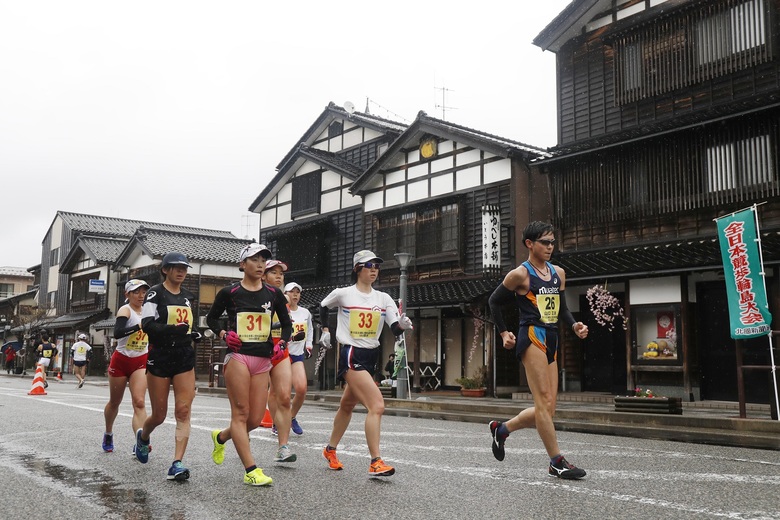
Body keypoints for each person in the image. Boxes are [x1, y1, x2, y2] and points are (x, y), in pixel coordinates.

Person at [487, 221, 589, 480]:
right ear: (529, 244)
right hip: (532, 335)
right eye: (545, 242)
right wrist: (503, 332)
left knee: (548, 408)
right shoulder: (520, 274)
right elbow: (494, 301)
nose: (550, 247)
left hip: (553, 336)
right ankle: (556, 461)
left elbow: (562, 308)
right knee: (543, 401)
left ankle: (502, 429)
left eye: (553, 242)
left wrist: (574, 324)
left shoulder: (559, 273)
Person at [319, 250, 413, 477]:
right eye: (368, 265)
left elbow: (393, 328)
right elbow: (323, 306)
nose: (374, 269)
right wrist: (325, 330)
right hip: (351, 353)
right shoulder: (343, 294)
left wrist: (402, 325)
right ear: (357, 269)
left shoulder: (383, 298)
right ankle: (375, 461)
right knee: (377, 405)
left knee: (347, 405)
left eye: (377, 266)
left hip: (371, 356)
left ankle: (330, 450)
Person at [207, 243, 292, 486]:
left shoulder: (274, 294)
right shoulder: (230, 292)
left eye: (263, 260)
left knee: (255, 419)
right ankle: (251, 470)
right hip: (239, 357)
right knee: (241, 413)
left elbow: (285, 324)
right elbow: (211, 318)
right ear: (242, 264)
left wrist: (283, 343)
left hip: (264, 359)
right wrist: (223, 334)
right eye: (254, 259)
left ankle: (221, 437)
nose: (260, 264)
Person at [135, 252, 201, 481]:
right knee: (159, 415)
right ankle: (143, 436)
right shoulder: (155, 293)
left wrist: (193, 333)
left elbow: (187, 324)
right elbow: (147, 325)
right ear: (165, 270)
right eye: (175, 268)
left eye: (184, 268)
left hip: (183, 356)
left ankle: (177, 463)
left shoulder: (187, 297)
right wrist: (174, 330)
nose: (181, 272)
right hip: (160, 356)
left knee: (183, 411)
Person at [102, 279, 150, 453]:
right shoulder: (126, 310)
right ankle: (108, 432)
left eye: (144, 292)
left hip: (140, 360)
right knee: (115, 402)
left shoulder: (149, 311)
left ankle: (141, 441)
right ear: (127, 295)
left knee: (139, 402)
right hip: (121, 359)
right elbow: (118, 332)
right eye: (136, 292)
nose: (141, 296)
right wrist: (138, 326)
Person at [262, 259, 296, 462]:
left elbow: (287, 325)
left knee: (284, 397)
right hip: (257, 350)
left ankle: (283, 447)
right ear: (263, 275)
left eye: (281, 273)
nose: (278, 276)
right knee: (253, 404)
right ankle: (235, 434)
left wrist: (283, 342)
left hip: (279, 350)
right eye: (273, 272)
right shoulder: (254, 294)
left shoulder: (281, 298)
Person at [283, 282, 313, 435]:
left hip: (297, 354)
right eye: (291, 292)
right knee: (283, 392)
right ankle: (278, 421)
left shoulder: (305, 313)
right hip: (281, 355)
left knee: (301, 389)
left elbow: (310, 331)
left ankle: (291, 417)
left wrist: (308, 345)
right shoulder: (280, 310)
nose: (295, 295)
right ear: (284, 293)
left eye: (297, 292)